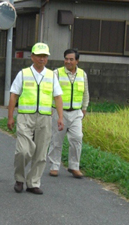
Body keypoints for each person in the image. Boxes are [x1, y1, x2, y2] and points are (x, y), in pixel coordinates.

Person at [7, 42, 64, 195]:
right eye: (39, 56)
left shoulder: (52, 75)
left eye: (44, 56)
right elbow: (14, 95)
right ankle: (19, 178)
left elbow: (58, 97)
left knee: (41, 152)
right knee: (23, 151)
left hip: (45, 118)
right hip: (25, 116)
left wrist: (60, 117)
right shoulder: (23, 73)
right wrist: (10, 116)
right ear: (32, 56)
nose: (41, 59)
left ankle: (33, 182)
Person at [48, 49, 89, 179]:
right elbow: (50, 92)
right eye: (66, 58)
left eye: (71, 59)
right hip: (60, 112)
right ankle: (54, 166)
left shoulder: (83, 74)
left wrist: (84, 108)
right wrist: (50, 108)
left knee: (77, 138)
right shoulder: (57, 73)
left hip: (76, 113)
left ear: (77, 61)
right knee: (56, 140)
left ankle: (74, 166)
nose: (68, 61)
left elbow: (86, 93)